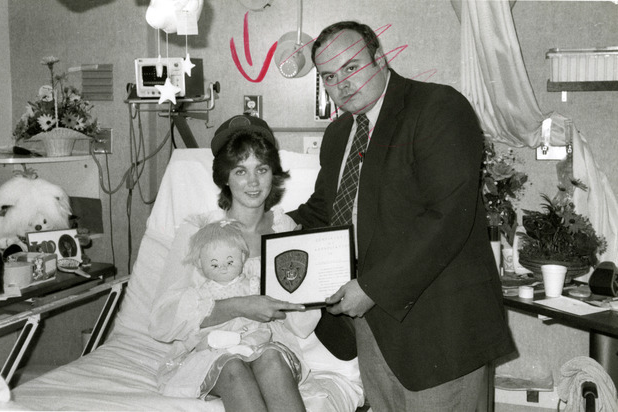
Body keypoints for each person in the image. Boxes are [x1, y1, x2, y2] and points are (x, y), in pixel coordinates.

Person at [289, 21, 516, 411]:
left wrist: (372, 288)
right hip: (374, 332)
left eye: (350, 67)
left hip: (440, 329)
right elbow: (323, 210)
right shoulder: (339, 134)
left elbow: (448, 216)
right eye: (329, 76)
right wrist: (265, 229)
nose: (341, 83)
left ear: (379, 58)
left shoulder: (437, 107)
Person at [149, 114, 363, 412]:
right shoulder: (198, 230)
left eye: (261, 169)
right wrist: (240, 305)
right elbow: (162, 319)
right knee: (234, 367)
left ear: (272, 173)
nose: (252, 182)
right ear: (224, 177)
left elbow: (301, 323)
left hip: (269, 346)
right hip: (213, 348)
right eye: (240, 171)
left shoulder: (285, 229)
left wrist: (320, 282)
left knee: (271, 359)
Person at [153, 219, 306, 409]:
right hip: (217, 351)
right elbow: (167, 321)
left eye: (230, 261)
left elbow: (295, 312)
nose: (224, 268)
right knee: (231, 367)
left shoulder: (255, 282)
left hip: (256, 340)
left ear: (242, 258)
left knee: (272, 358)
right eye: (215, 264)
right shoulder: (199, 294)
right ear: (200, 264)